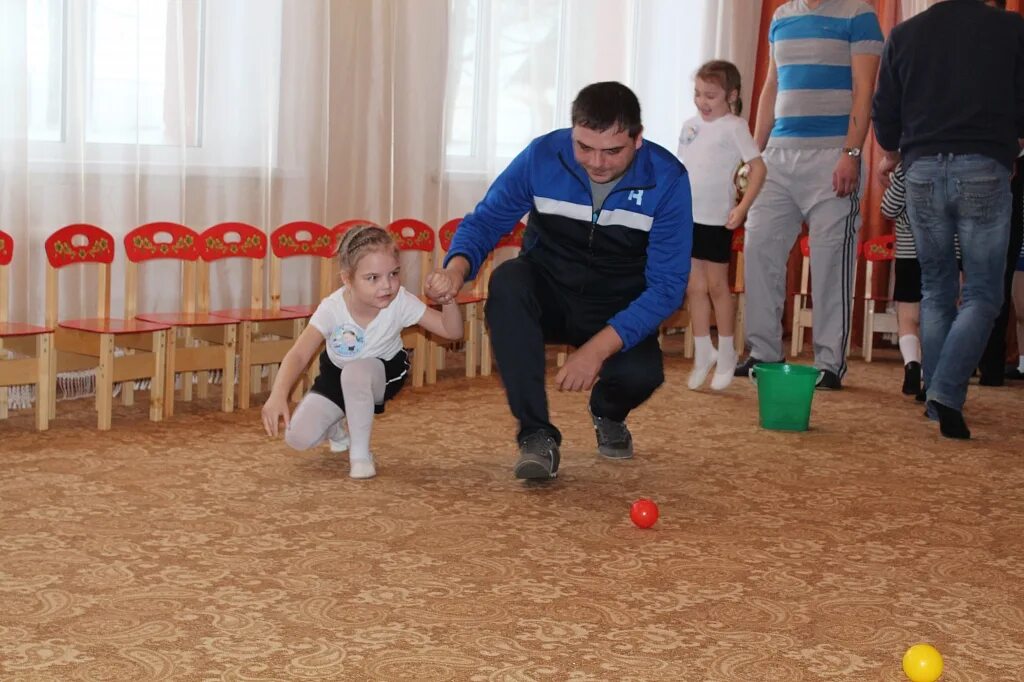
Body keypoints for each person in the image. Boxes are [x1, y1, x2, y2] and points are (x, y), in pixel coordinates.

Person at [425, 81, 692, 481]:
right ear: (572, 133)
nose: (597, 162)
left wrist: (596, 351)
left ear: (638, 140)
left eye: (612, 151)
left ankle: (607, 412)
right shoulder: (542, 156)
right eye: (584, 147)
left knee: (642, 375)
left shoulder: (667, 179)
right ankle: (535, 435)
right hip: (548, 290)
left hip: (617, 307)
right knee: (508, 281)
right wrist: (455, 270)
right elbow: (486, 220)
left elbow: (668, 287)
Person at [872, 0, 1024, 439]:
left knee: (935, 291)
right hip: (983, 169)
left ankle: (937, 395)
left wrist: (894, 152)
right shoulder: (1010, 28)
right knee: (981, 294)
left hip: (920, 170)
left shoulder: (905, 34)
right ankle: (946, 392)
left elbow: (886, 112)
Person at [735, 0, 883, 391]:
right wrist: (754, 155)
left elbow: (865, 89)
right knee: (759, 246)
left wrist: (851, 153)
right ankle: (764, 352)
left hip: (832, 154)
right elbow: (771, 87)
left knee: (831, 259)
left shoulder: (858, 14)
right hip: (778, 158)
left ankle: (829, 362)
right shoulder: (782, 17)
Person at [261, 225, 464, 478]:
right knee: (297, 437)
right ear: (347, 279)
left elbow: (451, 331)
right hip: (337, 373)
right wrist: (278, 394)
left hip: (384, 372)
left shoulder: (399, 300)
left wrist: (448, 300)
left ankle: (360, 455)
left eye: (393, 274)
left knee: (356, 373)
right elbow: (299, 354)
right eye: (373, 278)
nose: (387, 286)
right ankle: (337, 427)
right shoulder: (332, 308)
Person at [676, 60, 766, 391]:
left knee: (717, 287)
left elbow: (758, 168)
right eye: (697, 94)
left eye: (710, 95)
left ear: (731, 95)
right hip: (689, 217)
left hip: (717, 219)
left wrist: (742, 208)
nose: (702, 102)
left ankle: (727, 351)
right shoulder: (689, 126)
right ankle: (704, 351)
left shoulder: (734, 126)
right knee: (694, 287)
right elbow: (681, 167)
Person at [879, 163, 924, 398]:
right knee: (938, 315)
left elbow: (888, 208)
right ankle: (932, 373)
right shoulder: (954, 163)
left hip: (909, 253)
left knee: (907, 317)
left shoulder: (907, 167)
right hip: (947, 254)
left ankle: (912, 364)